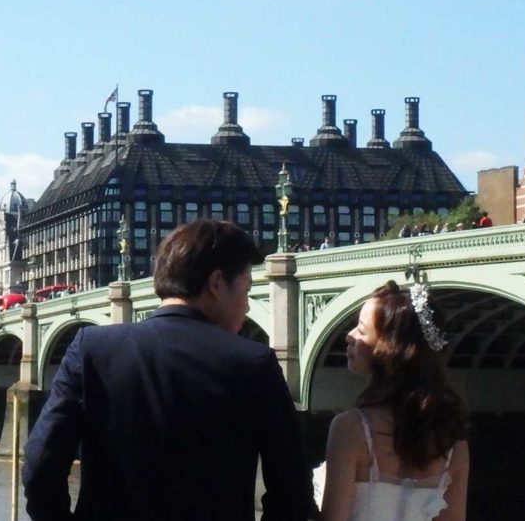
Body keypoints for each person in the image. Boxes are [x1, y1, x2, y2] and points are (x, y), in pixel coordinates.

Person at [23, 220, 315, 521]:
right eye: (246, 290)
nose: (248, 307)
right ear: (216, 284)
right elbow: (292, 490)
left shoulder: (92, 350)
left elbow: (40, 465)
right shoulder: (254, 363)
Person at [320, 281, 469, 521]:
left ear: (388, 347)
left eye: (361, 329)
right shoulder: (453, 443)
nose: (349, 336)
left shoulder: (351, 429)